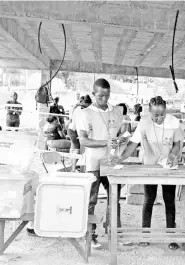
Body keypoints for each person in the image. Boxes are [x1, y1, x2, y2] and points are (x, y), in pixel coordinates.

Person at [116, 96, 183, 250]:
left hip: (168, 166)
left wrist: (172, 155)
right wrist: (120, 159)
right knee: (149, 199)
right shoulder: (144, 123)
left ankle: (171, 237)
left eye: (162, 114)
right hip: (150, 166)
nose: (159, 118)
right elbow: (133, 144)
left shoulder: (173, 121)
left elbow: (177, 144)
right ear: (149, 112)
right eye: (156, 115)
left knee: (169, 200)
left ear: (166, 111)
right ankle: (145, 235)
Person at [77, 78, 125, 249]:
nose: (104, 99)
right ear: (93, 94)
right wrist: (105, 142)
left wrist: (119, 140)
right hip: (93, 163)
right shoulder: (84, 113)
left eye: (107, 95)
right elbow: (83, 140)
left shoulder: (116, 112)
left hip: (111, 162)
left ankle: (114, 232)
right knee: (91, 200)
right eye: (100, 96)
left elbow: (119, 134)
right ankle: (90, 234)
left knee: (115, 198)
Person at [67, 95, 92, 172]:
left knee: (75, 150)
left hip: (72, 129)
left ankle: (74, 168)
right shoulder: (85, 111)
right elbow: (83, 124)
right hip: (76, 131)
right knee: (78, 150)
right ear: (87, 103)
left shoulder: (77, 108)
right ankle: (78, 168)